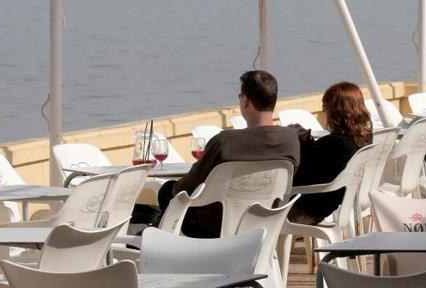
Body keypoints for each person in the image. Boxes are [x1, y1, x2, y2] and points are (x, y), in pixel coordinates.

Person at [157, 70, 299, 238]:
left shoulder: (225, 142)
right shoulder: (291, 139)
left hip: (214, 227)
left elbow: (186, 188)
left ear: (245, 101)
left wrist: (174, 188)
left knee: (167, 191)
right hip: (263, 222)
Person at [287, 82, 373, 226]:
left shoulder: (334, 144)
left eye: (325, 107)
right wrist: (308, 143)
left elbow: (303, 174)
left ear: (335, 111)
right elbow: (324, 163)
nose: (324, 112)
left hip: (311, 209)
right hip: (339, 203)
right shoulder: (364, 139)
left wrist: (297, 141)